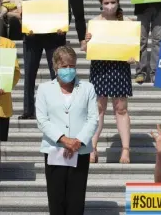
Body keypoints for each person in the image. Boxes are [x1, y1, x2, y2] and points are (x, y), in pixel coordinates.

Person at [35, 46, 98, 215]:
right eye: (64, 66)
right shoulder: (44, 89)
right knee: (56, 199)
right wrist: (64, 139)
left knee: (76, 199)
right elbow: (42, 120)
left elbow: (93, 118)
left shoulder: (88, 88)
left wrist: (78, 141)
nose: (68, 70)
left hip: (81, 150)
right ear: (55, 66)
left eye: (72, 66)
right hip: (55, 150)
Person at [84, 0, 136, 164]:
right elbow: (84, 48)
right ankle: (92, 148)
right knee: (98, 108)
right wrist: (87, 41)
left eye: (113, 2)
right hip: (100, 67)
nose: (110, 6)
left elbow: (135, 51)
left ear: (118, 2)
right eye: (106, 3)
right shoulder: (94, 22)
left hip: (119, 67)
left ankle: (125, 150)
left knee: (121, 108)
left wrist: (133, 58)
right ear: (101, 4)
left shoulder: (127, 22)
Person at [19, 0, 70, 120]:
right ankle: (28, 109)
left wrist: (64, 26)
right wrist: (26, 25)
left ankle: (58, 109)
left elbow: (67, 11)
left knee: (57, 73)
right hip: (33, 37)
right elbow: (25, 11)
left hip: (54, 36)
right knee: (29, 73)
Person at [0, 37, 21, 141]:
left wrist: (5, 85)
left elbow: (16, 72)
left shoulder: (8, 44)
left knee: (1, 148)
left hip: (2, 105)